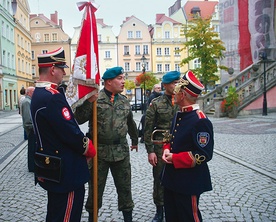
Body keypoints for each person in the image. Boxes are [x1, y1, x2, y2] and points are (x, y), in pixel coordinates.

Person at [30, 47, 96, 222]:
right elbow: (70, 133)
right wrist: (88, 148)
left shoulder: (38, 94)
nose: (64, 72)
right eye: (61, 68)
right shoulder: (52, 97)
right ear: (52, 69)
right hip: (66, 172)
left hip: (51, 167)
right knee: (67, 216)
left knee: (55, 214)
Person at [74, 66, 139, 222]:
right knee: (95, 189)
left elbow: (130, 123)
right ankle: (92, 217)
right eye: (120, 78)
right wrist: (89, 102)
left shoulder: (124, 100)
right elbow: (78, 118)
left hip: (121, 151)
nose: (123, 81)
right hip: (99, 152)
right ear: (109, 82)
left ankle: (128, 218)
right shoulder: (96, 98)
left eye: (123, 78)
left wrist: (135, 140)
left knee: (125, 189)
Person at [161, 70, 214, 222]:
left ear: (182, 95)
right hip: (171, 179)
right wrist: (166, 150)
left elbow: (203, 153)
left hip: (188, 182)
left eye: (177, 90)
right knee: (172, 217)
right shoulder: (179, 114)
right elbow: (169, 137)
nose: (174, 93)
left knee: (189, 217)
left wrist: (175, 158)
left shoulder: (200, 120)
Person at [144, 71, 180, 222]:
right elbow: (148, 128)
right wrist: (150, 151)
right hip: (159, 147)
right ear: (165, 85)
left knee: (179, 178)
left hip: (179, 145)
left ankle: (178, 208)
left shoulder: (182, 101)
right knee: (159, 178)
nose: (176, 86)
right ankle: (160, 210)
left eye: (178, 82)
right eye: (173, 83)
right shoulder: (156, 104)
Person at [21, 86, 35, 172]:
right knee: (31, 148)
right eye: (33, 92)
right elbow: (27, 118)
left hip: (31, 128)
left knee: (32, 148)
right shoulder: (26, 102)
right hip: (31, 129)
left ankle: (32, 165)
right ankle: (31, 167)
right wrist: (32, 127)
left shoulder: (29, 101)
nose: (35, 94)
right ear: (28, 92)